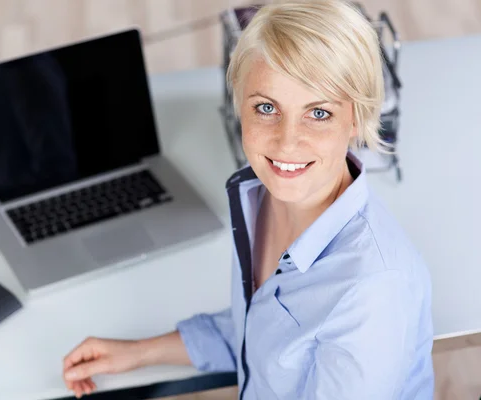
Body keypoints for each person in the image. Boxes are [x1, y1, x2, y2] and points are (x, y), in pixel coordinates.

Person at [61, 0, 435, 398]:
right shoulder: (261, 197)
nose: (287, 142)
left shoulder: (372, 292)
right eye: (267, 107)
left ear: (357, 117)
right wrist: (140, 352)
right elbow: (262, 330)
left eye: (319, 113)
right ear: (239, 104)